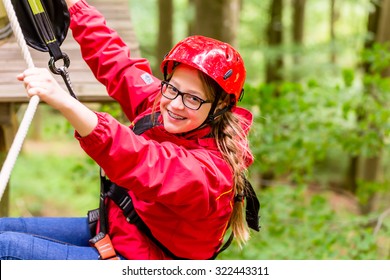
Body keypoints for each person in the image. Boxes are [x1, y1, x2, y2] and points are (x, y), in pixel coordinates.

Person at [0, 0, 258, 260]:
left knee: (6, 249)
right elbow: (120, 66)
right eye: (172, 87)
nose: (176, 105)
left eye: (193, 98)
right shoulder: (164, 104)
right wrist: (76, 6)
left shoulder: (211, 174)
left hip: (142, 261)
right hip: (117, 231)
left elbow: (141, 159)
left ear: (221, 105)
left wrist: (63, 101)